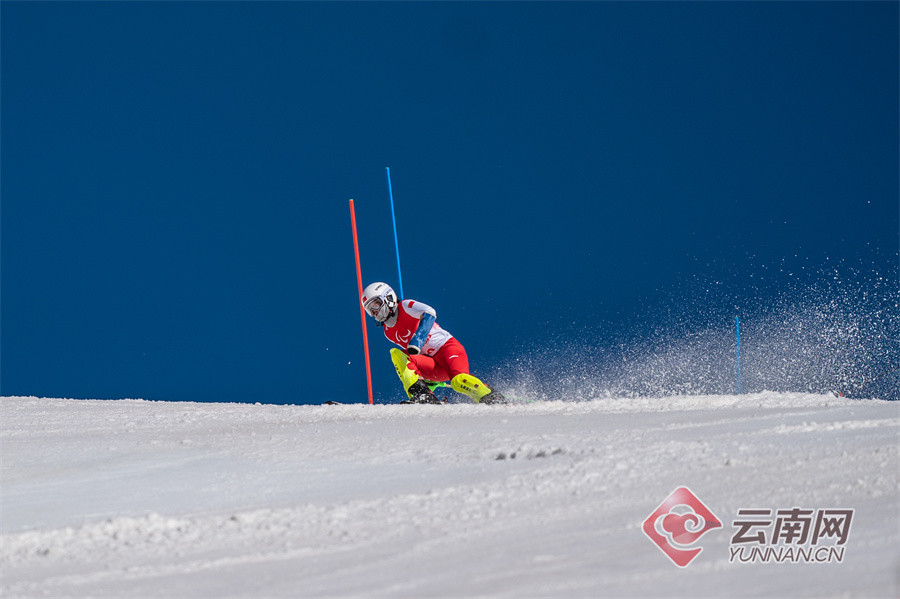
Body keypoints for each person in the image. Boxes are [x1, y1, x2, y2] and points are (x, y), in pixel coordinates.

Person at [360, 282, 505, 404]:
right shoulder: (388, 332)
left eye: (376, 304)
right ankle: (422, 395)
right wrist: (425, 378)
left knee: (459, 381)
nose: (374, 312)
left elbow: (430, 312)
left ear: (388, 297)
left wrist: (418, 339)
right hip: (434, 365)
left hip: (448, 349)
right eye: (370, 310)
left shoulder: (405, 306)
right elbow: (412, 357)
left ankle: (492, 398)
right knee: (396, 354)